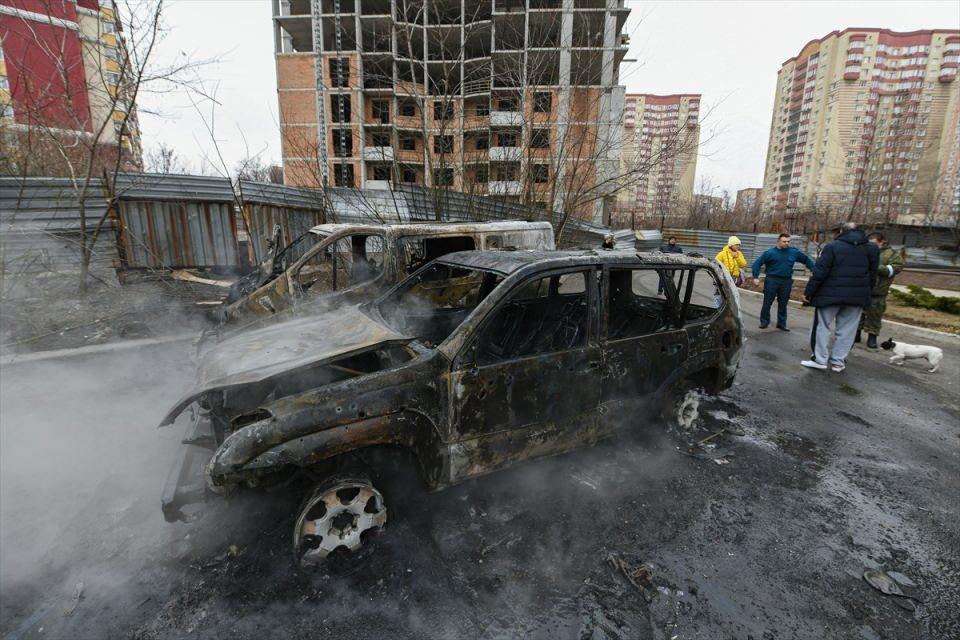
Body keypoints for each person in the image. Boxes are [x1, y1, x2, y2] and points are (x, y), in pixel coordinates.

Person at [801, 222, 879, 373]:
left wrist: (809, 292)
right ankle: (838, 362)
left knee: (822, 326)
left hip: (830, 295)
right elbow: (872, 274)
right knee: (847, 330)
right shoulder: (872, 249)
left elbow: (820, 272)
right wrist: (866, 293)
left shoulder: (833, 246)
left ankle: (820, 359)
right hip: (856, 297)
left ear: (842, 231)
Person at [751, 232, 816, 331]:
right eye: (784, 241)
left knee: (783, 303)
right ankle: (764, 322)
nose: (786, 243)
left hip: (786, 281)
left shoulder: (793, 252)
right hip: (772, 280)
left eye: (788, 242)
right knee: (767, 302)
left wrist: (813, 269)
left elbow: (806, 259)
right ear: (779, 241)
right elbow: (757, 264)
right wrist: (755, 277)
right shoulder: (770, 253)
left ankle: (781, 323)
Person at [856, 232, 904, 349]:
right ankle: (856, 334)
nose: (871, 246)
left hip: (878, 291)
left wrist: (875, 267)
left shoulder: (892, 254)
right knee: (857, 314)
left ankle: (872, 338)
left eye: (874, 243)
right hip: (862, 289)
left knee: (875, 315)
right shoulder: (864, 250)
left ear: (881, 242)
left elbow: (896, 268)